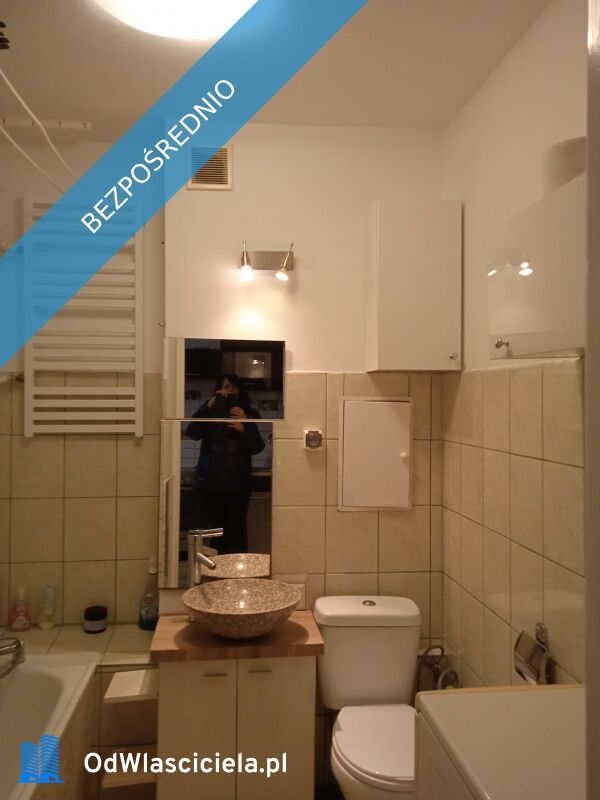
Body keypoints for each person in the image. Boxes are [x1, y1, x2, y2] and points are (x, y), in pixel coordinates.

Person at [185, 374, 264, 554]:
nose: (230, 391)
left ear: (240, 391)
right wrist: (210, 404)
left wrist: (244, 426)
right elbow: (192, 432)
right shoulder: (210, 413)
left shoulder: (248, 414)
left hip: (238, 486)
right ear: (218, 390)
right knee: (216, 533)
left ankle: (238, 568)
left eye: (234, 387)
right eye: (226, 387)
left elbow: (257, 447)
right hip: (211, 485)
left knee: (237, 531)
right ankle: (217, 568)